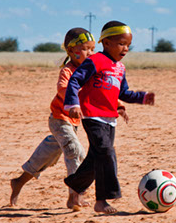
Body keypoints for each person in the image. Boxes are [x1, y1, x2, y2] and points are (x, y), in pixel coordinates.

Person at [9, 28, 128, 210]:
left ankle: (19, 181)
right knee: (75, 151)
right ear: (71, 51)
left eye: (92, 49)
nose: (90, 53)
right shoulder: (68, 71)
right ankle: (74, 196)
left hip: (74, 123)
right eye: (85, 49)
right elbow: (63, 89)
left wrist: (118, 104)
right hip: (60, 120)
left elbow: (103, 90)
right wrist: (75, 102)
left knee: (44, 157)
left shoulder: (91, 69)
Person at [62, 20, 155, 214]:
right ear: (106, 43)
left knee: (95, 159)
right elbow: (75, 80)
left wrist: (142, 97)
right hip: (92, 116)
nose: (125, 48)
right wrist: (73, 104)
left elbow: (124, 92)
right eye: (121, 44)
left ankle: (75, 187)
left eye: (128, 45)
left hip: (110, 119)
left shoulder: (120, 68)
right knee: (106, 152)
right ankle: (102, 200)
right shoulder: (95, 61)